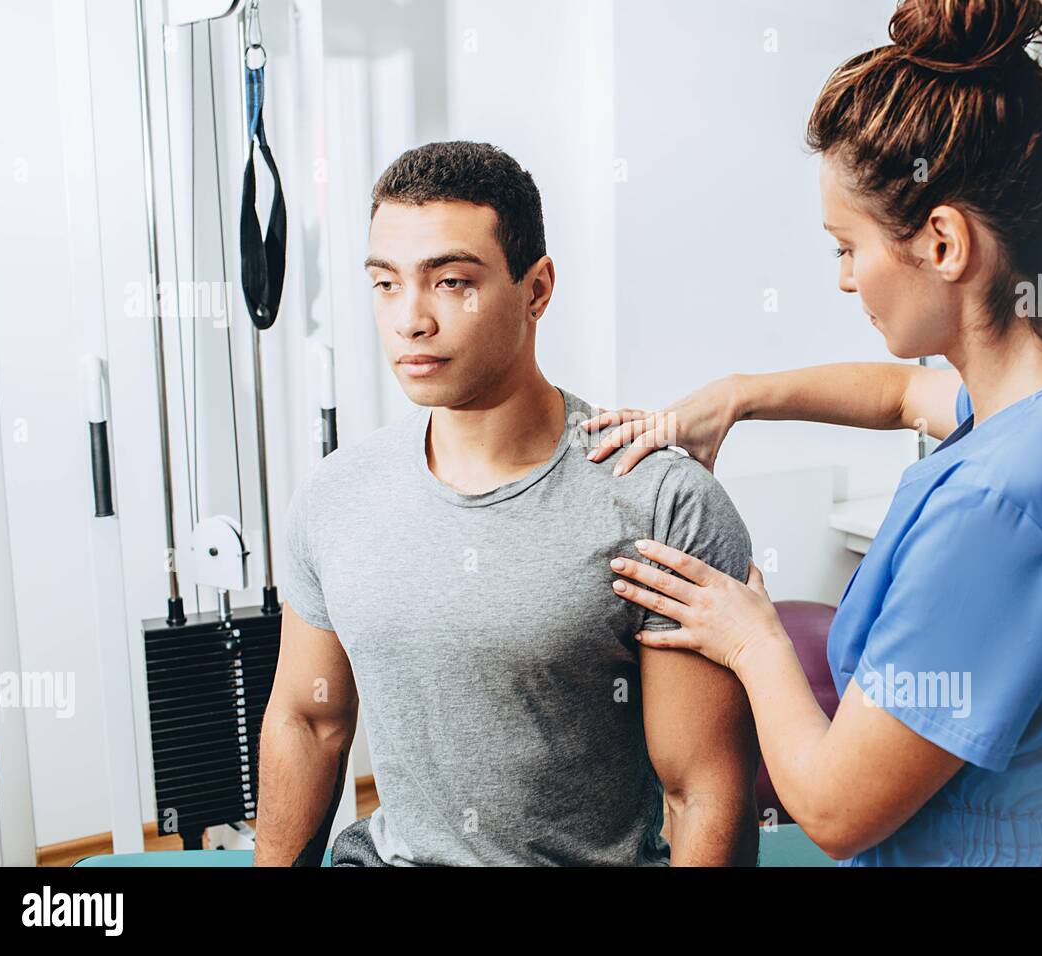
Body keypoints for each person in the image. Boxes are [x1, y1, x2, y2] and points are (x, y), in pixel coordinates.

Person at [587, 0, 1042, 866]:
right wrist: (740, 396)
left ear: (942, 241)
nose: (840, 279)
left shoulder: (997, 510)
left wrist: (753, 637)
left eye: (846, 247)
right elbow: (905, 397)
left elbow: (830, 809)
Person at [254, 141, 760, 866]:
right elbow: (308, 721)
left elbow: (703, 790)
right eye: (386, 284)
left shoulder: (660, 504)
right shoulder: (335, 498)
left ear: (537, 289)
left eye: (451, 281)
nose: (411, 320)